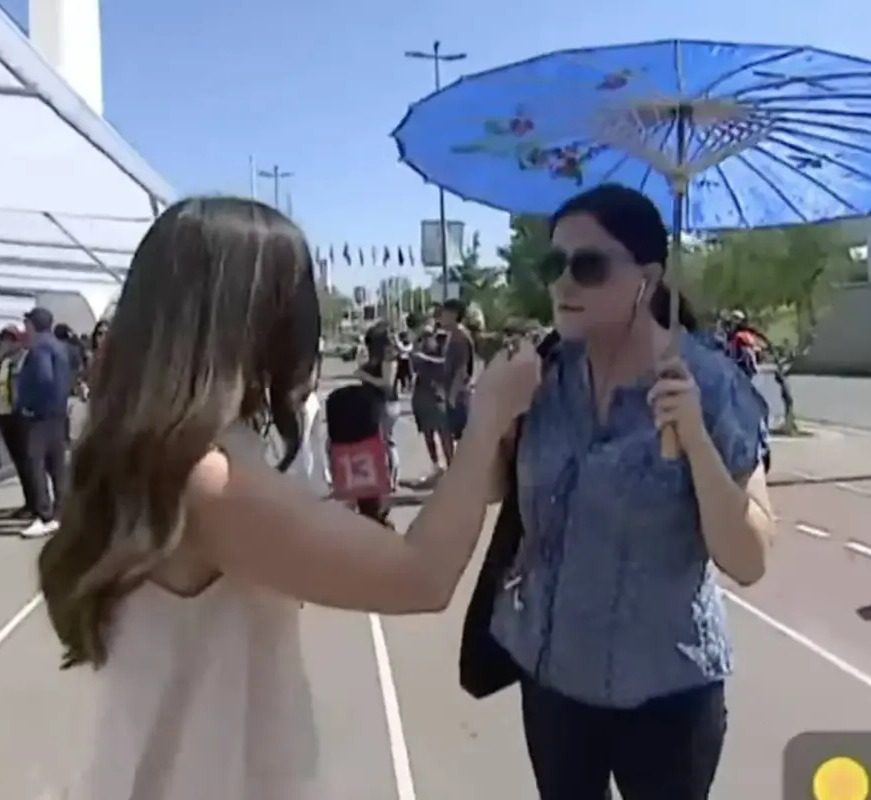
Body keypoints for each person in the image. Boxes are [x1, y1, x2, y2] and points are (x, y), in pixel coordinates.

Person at [35, 196, 538, 800]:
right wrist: (486, 417)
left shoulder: (156, 445)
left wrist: (492, 459)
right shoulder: (205, 479)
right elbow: (420, 579)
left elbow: (306, 542)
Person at [487, 185, 773, 799]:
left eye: (587, 266)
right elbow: (493, 494)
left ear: (646, 277)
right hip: (552, 677)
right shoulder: (541, 376)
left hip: (667, 693)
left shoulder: (712, 386)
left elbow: (749, 558)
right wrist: (493, 417)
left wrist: (695, 439)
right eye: (552, 265)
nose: (562, 283)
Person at [17, 307, 72, 539]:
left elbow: (43, 377)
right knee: (57, 465)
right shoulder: (59, 346)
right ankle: (62, 511)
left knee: (36, 463)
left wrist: (29, 402)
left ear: (33, 324)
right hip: (58, 412)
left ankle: (45, 514)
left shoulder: (39, 347)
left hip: (40, 413)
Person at [353, 322, 400, 489]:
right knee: (379, 441)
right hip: (374, 402)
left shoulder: (388, 356)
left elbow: (387, 383)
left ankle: (391, 479)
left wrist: (365, 377)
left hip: (386, 403)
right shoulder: (376, 355)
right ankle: (384, 477)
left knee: (386, 441)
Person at [0, 326, 34, 516]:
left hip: (21, 417)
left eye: (10, 340)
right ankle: (28, 501)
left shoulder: (26, 359)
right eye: (3, 339)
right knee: (19, 462)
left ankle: (36, 503)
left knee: (29, 462)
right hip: (6, 416)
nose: (5, 343)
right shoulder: (3, 363)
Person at [409, 315, 454, 484]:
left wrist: (425, 358)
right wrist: (416, 346)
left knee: (444, 433)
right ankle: (436, 467)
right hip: (421, 392)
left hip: (438, 392)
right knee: (427, 433)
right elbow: (413, 363)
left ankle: (452, 468)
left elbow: (446, 362)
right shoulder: (419, 341)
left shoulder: (443, 340)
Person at [439, 299, 474, 441]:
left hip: (459, 397)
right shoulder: (453, 335)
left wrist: (452, 396)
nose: (441, 317)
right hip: (454, 395)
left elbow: (461, 369)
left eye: (444, 313)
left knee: (464, 440)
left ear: (454, 315)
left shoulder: (459, 337)